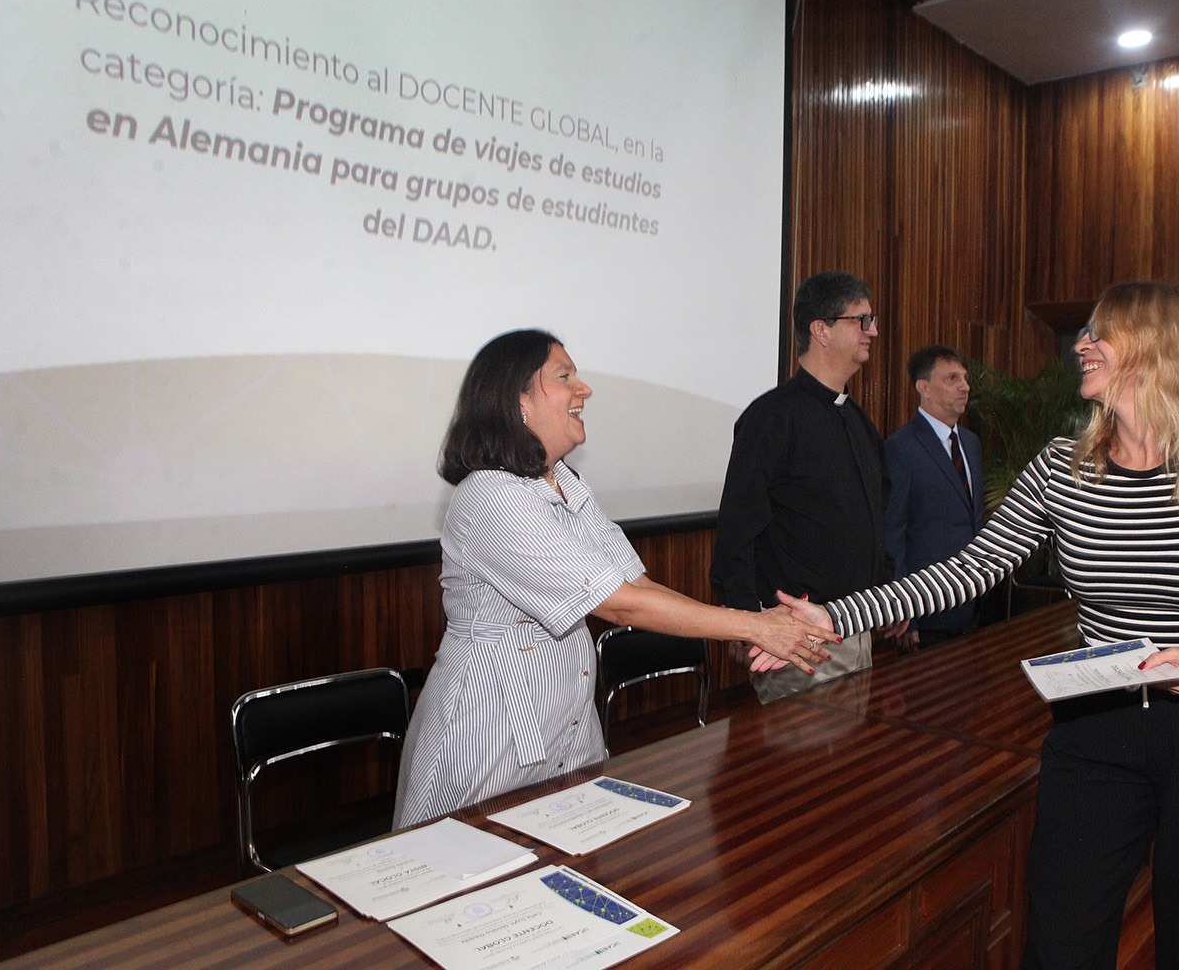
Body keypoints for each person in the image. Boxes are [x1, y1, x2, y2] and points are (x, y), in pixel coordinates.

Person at [781, 281, 1179, 969]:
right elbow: (970, 568)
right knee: (1060, 938)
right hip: (1097, 722)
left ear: (1160, 347)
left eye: (1101, 333)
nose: (1081, 345)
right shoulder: (1062, 467)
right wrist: (837, 616)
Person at [393, 329, 829, 829]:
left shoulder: (565, 483)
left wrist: (758, 623)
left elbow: (636, 586)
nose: (584, 389)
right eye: (564, 377)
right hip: (488, 733)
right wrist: (754, 627)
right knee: (471, 869)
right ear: (517, 400)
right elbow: (619, 604)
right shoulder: (490, 494)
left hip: (563, 724)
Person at [709, 270, 896, 703]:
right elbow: (737, 530)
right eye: (861, 320)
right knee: (805, 746)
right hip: (797, 637)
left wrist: (886, 595)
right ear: (821, 330)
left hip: (857, 625)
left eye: (871, 320)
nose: (872, 331)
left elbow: (874, 520)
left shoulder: (859, 421)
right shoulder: (771, 418)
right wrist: (746, 621)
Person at [884, 345, 984, 649]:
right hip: (926, 614)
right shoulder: (901, 448)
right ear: (923, 388)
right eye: (952, 378)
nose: (964, 387)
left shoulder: (971, 443)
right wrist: (905, 613)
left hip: (973, 607)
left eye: (965, 378)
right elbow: (892, 536)